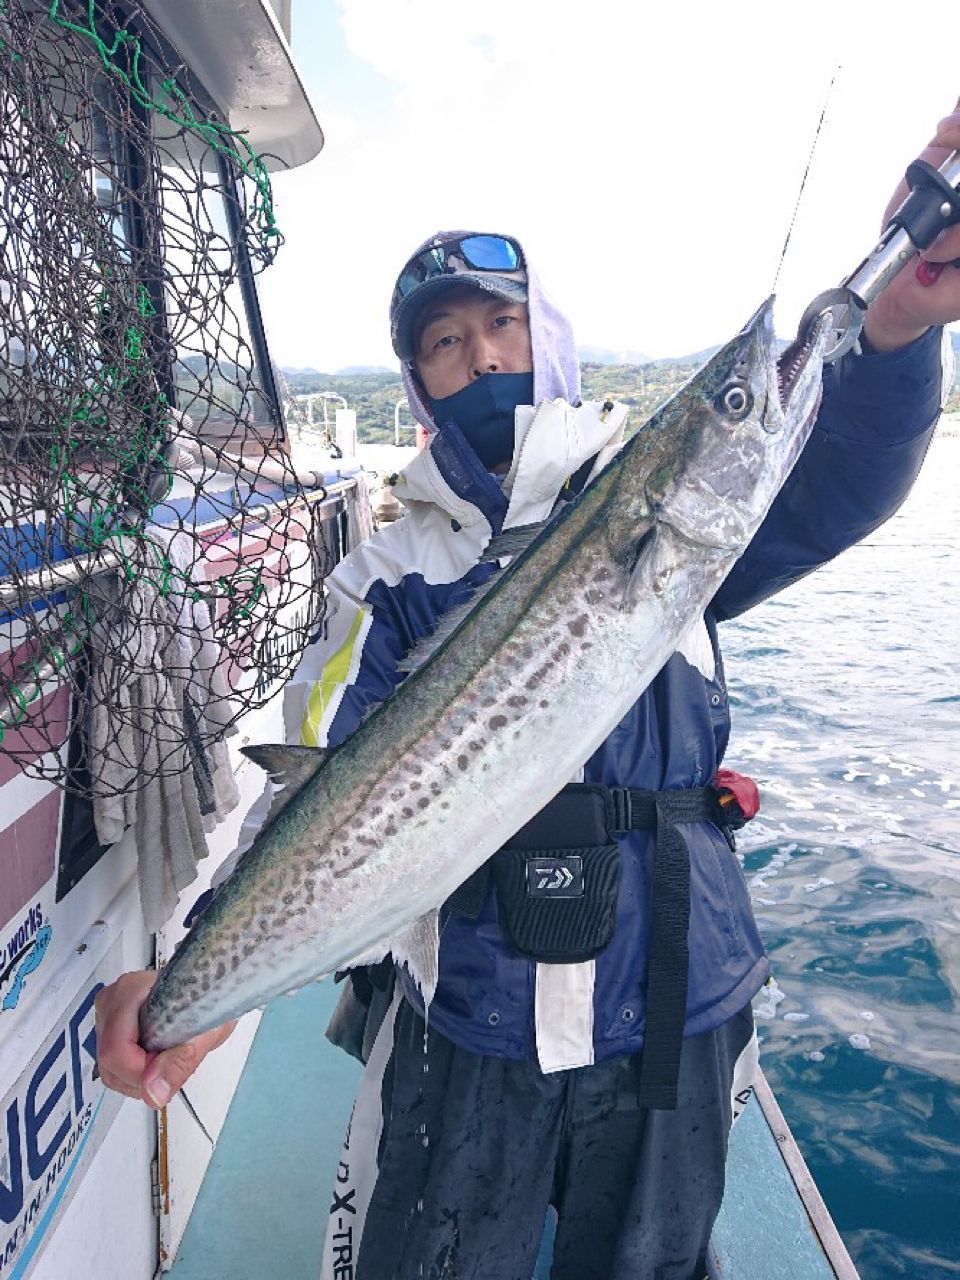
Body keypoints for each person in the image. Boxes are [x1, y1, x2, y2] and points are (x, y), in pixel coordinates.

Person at [96, 103, 960, 1280]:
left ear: (545, 337)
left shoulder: (670, 521)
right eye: (445, 343)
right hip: (478, 1025)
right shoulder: (389, 570)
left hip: (676, 1008)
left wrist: (900, 332)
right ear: (416, 380)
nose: (481, 357)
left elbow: (843, 481)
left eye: (502, 326)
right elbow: (304, 787)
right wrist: (193, 977)